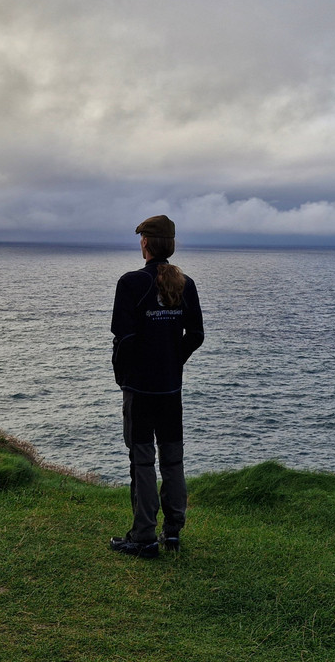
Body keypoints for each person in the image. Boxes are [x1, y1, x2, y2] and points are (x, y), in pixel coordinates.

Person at [109, 214, 204, 558]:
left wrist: (124, 376)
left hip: (140, 388)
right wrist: (172, 360)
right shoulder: (185, 283)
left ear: (146, 243)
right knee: (173, 458)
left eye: (141, 239)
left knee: (143, 460)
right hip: (170, 388)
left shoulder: (132, 282)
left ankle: (144, 535)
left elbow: (124, 337)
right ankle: (173, 530)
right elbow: (196, 336)